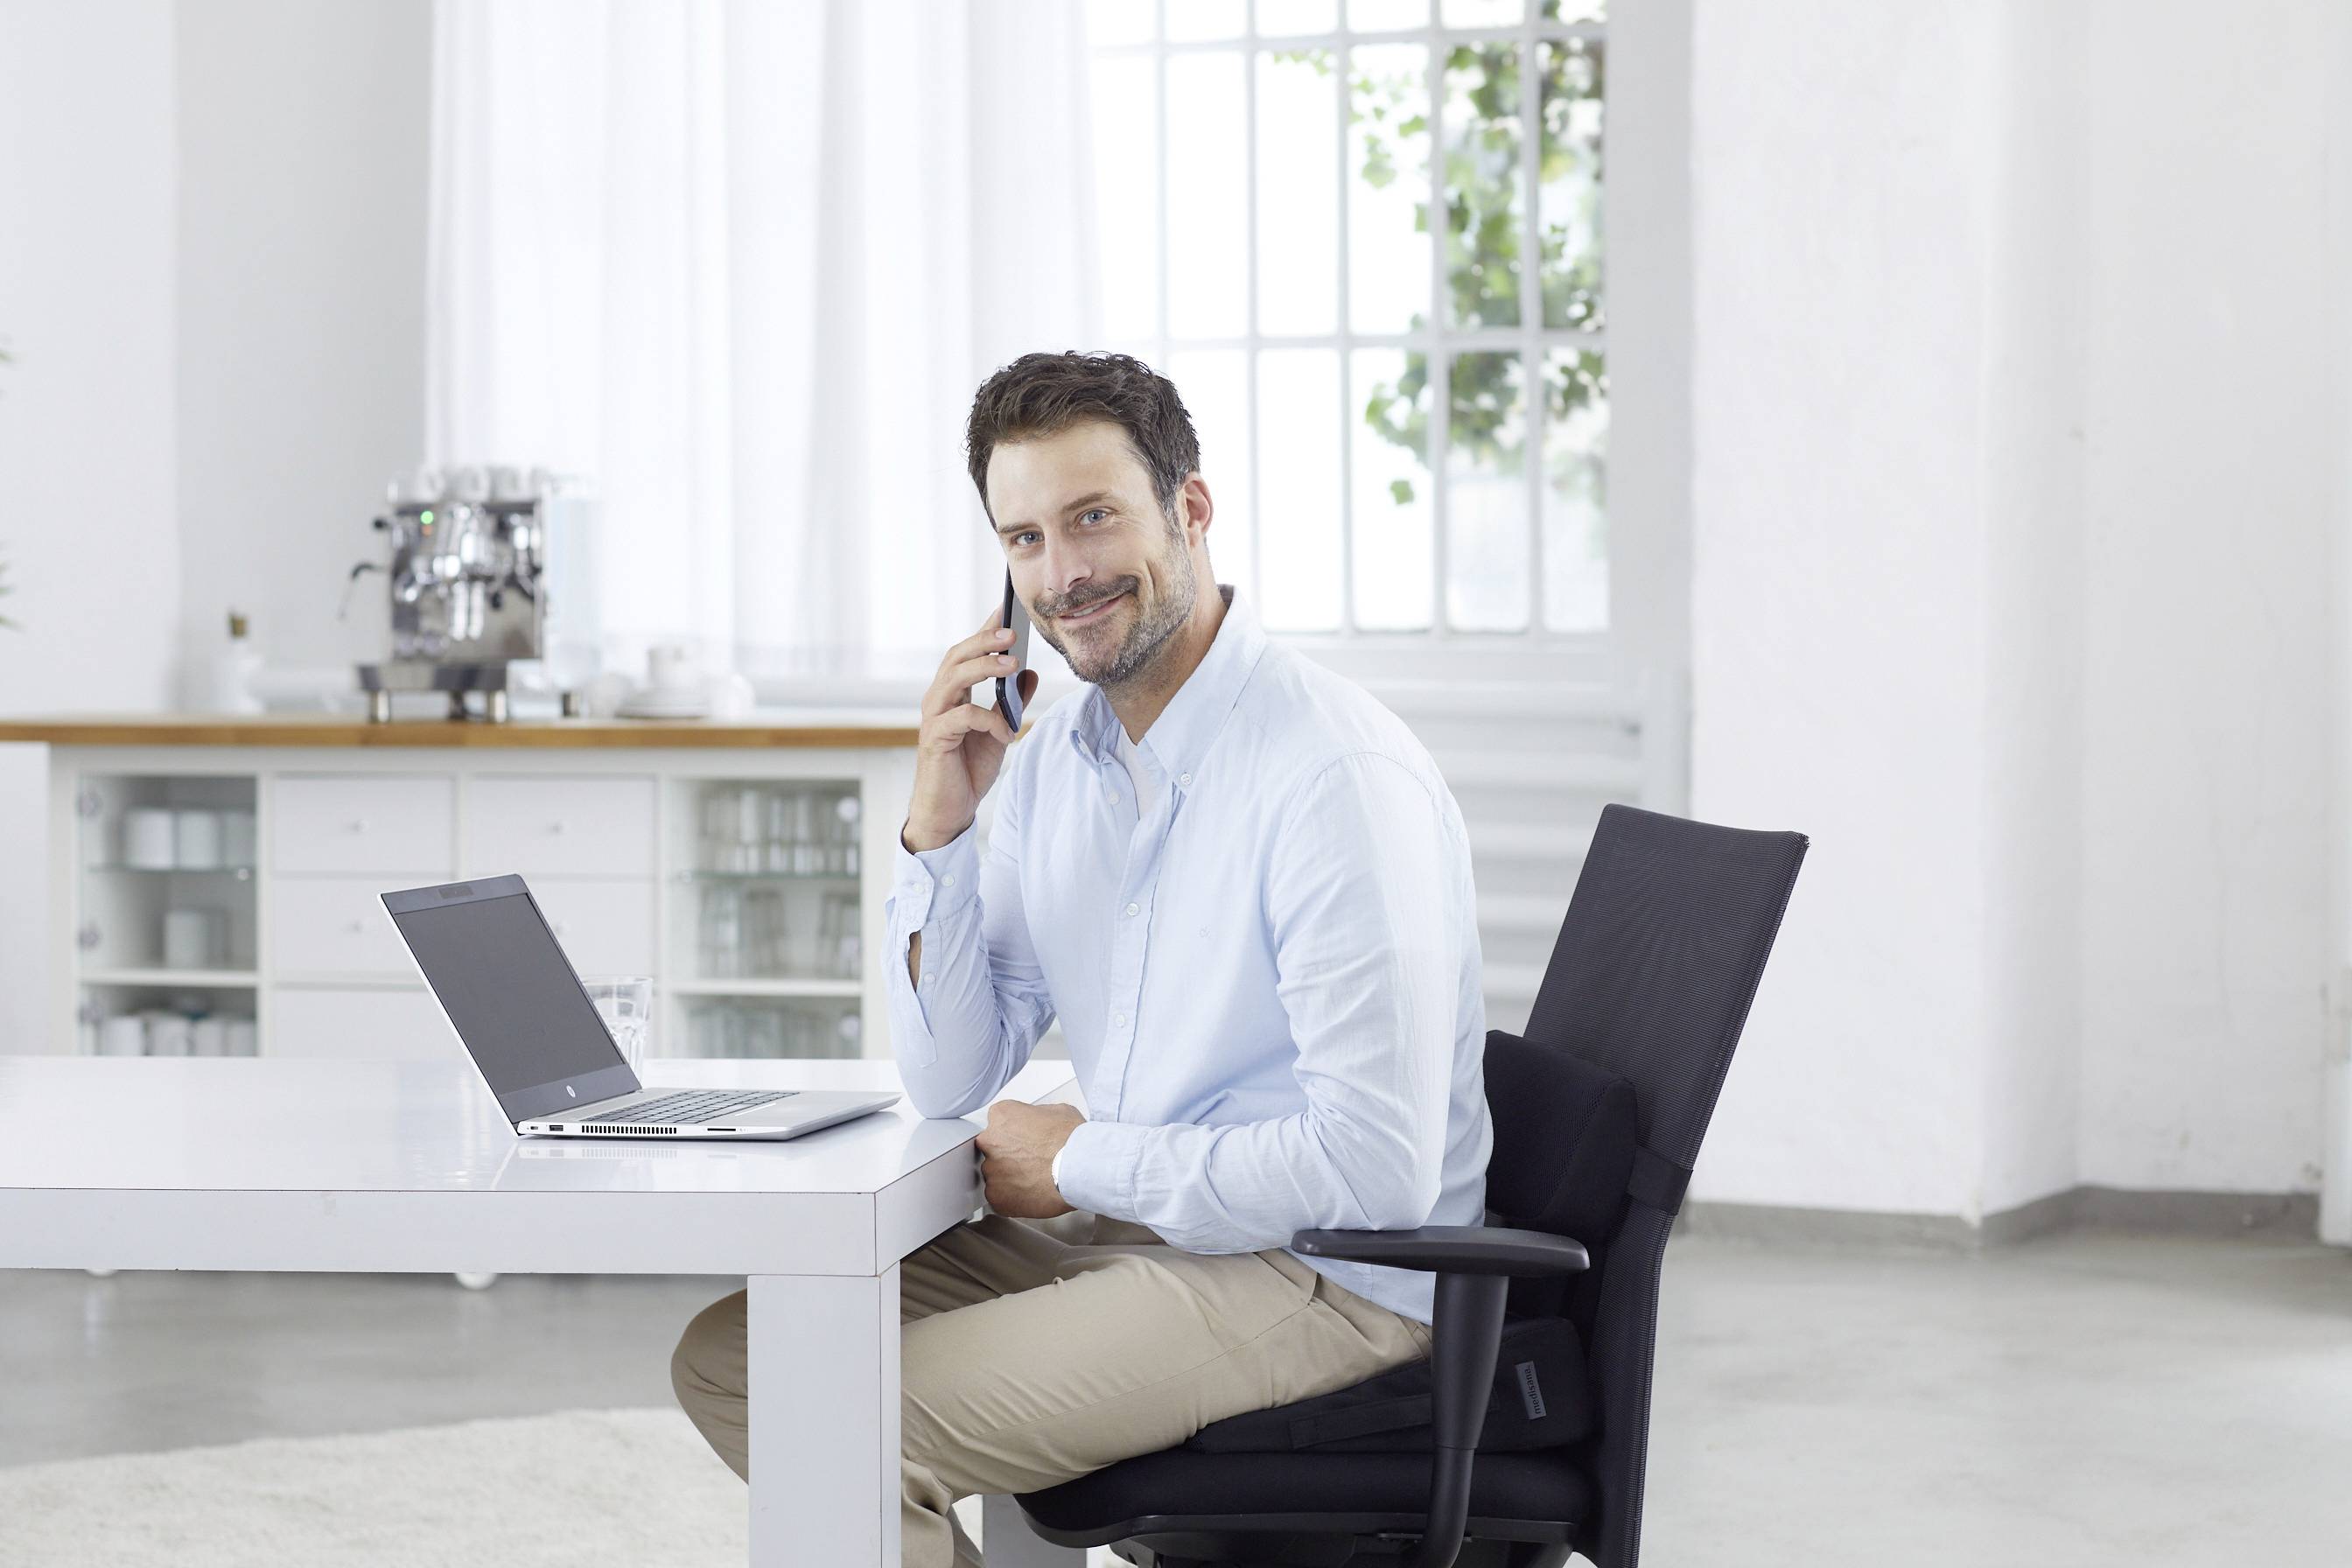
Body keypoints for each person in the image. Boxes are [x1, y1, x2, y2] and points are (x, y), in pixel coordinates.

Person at [671, 350, 1492, 1565]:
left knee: (824, 1411)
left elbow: (1371, 1172)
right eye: (1025, 540)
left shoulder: (1332, 779)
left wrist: (1087, 1158)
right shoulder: (1060, 767)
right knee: (740, 1355)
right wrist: (937, 829)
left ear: (1191, 511)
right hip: (1157, 1225)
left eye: (1094, 517)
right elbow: (952, 1073)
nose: (1063, 576)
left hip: (1327, 1276)